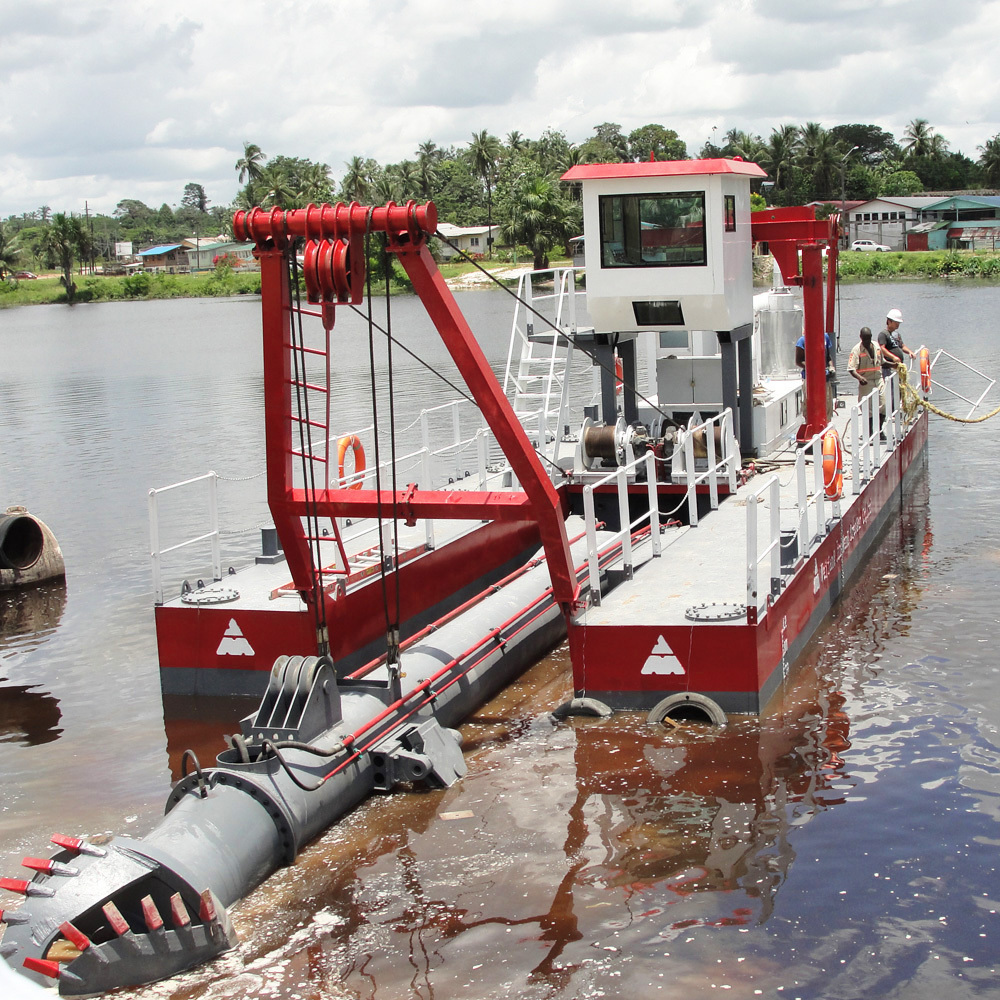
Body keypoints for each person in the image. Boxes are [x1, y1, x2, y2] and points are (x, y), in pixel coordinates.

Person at [847, 326, 883, 435]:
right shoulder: (856, 350)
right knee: (868, 410)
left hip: (878, 379)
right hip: (866, 382)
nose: (866, 342)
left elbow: (883, 362)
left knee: (884, 406)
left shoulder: (876, 346)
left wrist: (896, 364)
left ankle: (880, 430)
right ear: (860, 337)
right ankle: (870, 432)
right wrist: (860, 377)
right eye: (864, 339)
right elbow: (851, 369)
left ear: (871, 337)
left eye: (868, 339)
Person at [795, 328, 835, 421]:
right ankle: (810, 424)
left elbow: (828, 357)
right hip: (810, 379)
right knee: (811, 405)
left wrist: (831, 367)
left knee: (827, 404)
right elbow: (798, 361)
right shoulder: (802, 341)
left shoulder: (825, 337)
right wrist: (813, 368)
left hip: (825, 379)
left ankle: (826, 425)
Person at [878, 307, 916, 379]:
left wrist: (909, 352)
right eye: (896, 323)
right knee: (891, 387)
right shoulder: (883, 334)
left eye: (898, 323)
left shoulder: (897, 334)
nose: (897, 325)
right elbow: (882, 349)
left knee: (900, 387)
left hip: (899, 366)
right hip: (889, 368)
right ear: (889, 321)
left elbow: (902, 346)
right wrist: (893, 357)